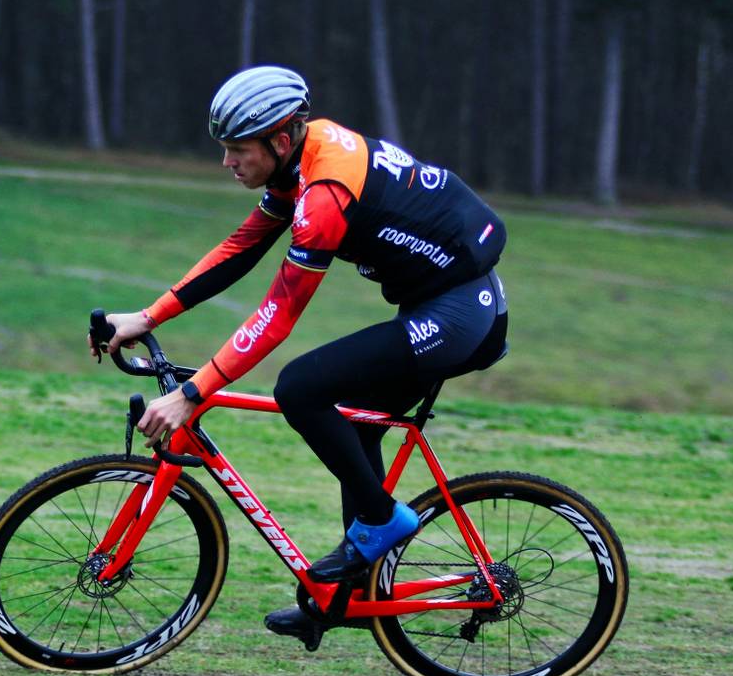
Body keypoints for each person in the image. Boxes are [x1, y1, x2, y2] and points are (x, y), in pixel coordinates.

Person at [89, 66, 508, 643]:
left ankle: (381, 522)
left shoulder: (326, 194)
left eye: (238, 150)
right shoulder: (300, 162)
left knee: (302, 387)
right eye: (225, 150)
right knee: (354, 428)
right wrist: (148, 315)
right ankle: (340, 599)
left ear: (280, 141)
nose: (228, 162)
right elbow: (241, 247)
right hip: (435, 302)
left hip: (458, 312)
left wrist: (193, 394)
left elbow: (277, 316)